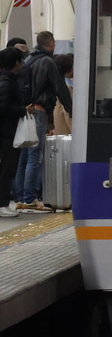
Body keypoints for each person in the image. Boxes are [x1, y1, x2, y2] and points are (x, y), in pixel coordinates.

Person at [15, 31, 72, 212]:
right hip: (39, 112)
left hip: (25, 111)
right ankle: (30, 198)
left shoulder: (28, 60)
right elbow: (60, 88)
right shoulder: (48, 62)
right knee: (35, 156)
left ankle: (20, 197)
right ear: (52, 43)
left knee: (24, 157)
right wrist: (72, 110)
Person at [0, 48, 33, 217]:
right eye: (20, 61)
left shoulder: (8, 80)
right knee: (6, 169)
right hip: (6, 133)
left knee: (8, 168)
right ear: (15, 63)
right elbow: (3, 107)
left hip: (8, 132)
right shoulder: (7, 83)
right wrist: (22, 110)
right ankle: (2, 205)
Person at [53, 53, 74, 135]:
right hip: (65, 131)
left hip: (57, 128)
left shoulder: (55, 82)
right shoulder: (66, 88)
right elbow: (68, 113)